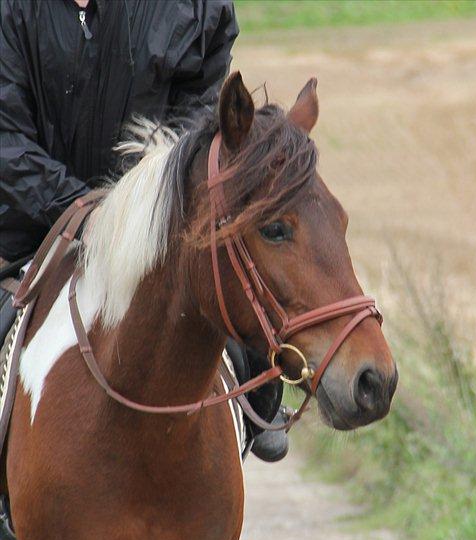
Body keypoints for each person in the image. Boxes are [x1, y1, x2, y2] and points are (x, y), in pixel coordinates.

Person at [0, 0, 288, 462]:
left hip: (153, 229)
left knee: (241, 311)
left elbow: (195, 129)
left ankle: (259, 402)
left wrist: (135, 210)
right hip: (28, 230)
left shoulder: (197, 9)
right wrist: (85, 212)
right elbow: (6, 138)